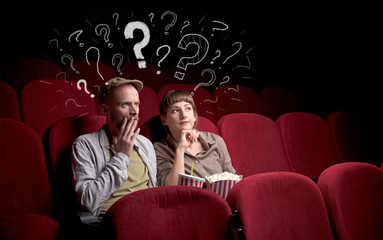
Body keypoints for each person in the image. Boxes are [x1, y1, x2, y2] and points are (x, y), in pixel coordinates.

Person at [71, 77, 157, 220]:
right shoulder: (84, 145)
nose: (134, 111)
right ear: (106, 110)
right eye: (125, 105)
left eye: (136, 104)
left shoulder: (145, 144)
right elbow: (88, 201)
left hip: (150, 217)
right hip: (114, 223)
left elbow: (154, 190)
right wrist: (122, 156)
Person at [154, 90, 236, 186]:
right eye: (175, 110)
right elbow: (171, 188)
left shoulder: (215, 140)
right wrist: (180, 149)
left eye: (188, 108)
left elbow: (232, 179)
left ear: (194, 116)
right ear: (164, 120)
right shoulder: (159, 149)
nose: (184, 115)